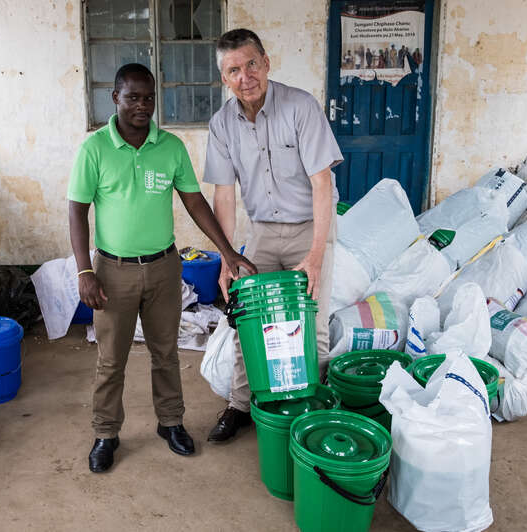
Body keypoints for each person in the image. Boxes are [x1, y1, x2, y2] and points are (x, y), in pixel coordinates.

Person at [67, 63, 256, 473]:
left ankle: (170, 423)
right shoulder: (94, 149)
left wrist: (227, 252)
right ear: (114, 98)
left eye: (148, 97)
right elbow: (77, 211)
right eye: (132, 97)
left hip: (164, 268)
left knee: (165, 352)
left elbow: (195, 202)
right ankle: (105, 433)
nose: (142, 105)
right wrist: (85, 271)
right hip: (111, 271)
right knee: (110, 358)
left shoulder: (169, 147)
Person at [203, 29, 343, 443]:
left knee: (311, 323)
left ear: (266, 62)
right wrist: (228, 257)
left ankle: (310, 408)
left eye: (251, 64)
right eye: (233, 70)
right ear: (224, 79)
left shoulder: (301, 107)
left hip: (310, 228)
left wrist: (316, 254)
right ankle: (240, 405)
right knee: (248, 319)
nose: (244, 76)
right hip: (262, 232)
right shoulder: (221, 124)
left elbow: (322, 185)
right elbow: (224, 196)